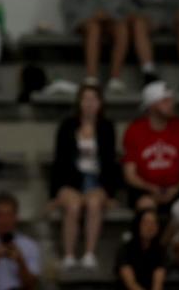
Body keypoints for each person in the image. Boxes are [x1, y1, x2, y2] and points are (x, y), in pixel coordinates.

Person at [50, 83, 120, 270]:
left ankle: (89, 253)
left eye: (94, 99)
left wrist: (111, 194)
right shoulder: (67, 126)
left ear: (100, 103)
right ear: (79, 103)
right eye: (85, 99)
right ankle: (69, 255)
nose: (89, 104)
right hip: (72, 181)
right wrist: (54, 195)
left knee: (94, 204)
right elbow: (59, 161)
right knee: (73, 206)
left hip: (96, 181)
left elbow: (111, 163)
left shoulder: (107, 127)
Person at [122, 81, 179, 213]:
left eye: (171, 100)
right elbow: (130, 174)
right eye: (165, 101)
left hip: (178, 189)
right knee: (146, 205)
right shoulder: (134, 130)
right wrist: (151, 188)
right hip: (145, 190)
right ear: (152, 105)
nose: (172, 104)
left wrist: (176, 188)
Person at [115, 209, 167, 290]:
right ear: (137, 225)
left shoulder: (160, 251)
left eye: (154, 223)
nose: (150, 227)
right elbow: (130, 283)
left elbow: (158, 283)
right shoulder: (125, 249)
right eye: (146, 223)